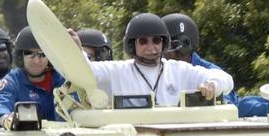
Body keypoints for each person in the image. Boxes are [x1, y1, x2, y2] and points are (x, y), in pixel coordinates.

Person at [83, 13, 232, 106]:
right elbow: (83, 70)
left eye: (156, 40)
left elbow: (226, 79)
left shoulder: (178, 70)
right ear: (132, 44)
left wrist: (212, 84)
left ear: (164, 43)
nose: (151, 47)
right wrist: (77, 51)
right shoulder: (117, 71)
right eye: (143, 41)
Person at [0, 26, 68, 128]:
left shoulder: (64, 81)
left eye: (42, 54)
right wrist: (6, 119)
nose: (36, 61)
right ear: (20, 56)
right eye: (29, 53)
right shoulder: (12, 82)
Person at [163, 12, 241, 106]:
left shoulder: (209, 72)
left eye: (165, 44)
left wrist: (212, 86)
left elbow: (226, 95)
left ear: (183, 45)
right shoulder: (162, 70)